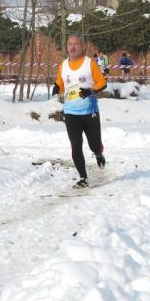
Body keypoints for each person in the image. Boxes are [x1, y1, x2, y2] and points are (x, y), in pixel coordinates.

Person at [52, 33, 107, 189]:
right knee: (75, 145)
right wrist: (57, 87)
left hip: (90, 112)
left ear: (83, 46)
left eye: (76, 44)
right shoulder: (63, 65)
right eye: (70, 44)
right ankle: (83, 178)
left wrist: (91, 91)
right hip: (71, 113)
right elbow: (60, 82)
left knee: (94, 145)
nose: (72, 47)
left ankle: (98, 154)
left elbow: (102, 82)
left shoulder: (90, 63)